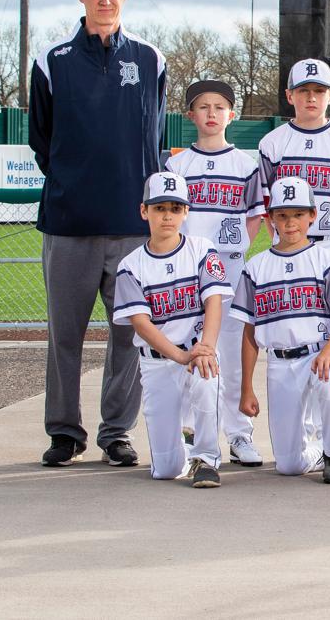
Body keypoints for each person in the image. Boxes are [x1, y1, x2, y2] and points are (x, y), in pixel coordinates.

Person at [29, 0, 167, 467]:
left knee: (128, 334)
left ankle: (116, 432)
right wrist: (73, 182)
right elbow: (42, 141)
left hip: (132, 226)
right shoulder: (52, 60)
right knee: (64, 336)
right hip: (69, 225)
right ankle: (64, 432)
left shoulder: (152, 59)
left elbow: (152, 139)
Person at [233, 177, 330, 484]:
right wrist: (246, 387)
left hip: (319, 353)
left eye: (298, 214)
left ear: (312, 216)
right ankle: (326, 448)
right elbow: (250, 332)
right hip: (279, 362)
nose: (291, 222)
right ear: (271, 219)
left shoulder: (328, 260)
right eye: (283, 215)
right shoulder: (256, 267)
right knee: (288, 466)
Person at [166, 80, 265, 467]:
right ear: (191, 115)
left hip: (228, 274)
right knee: (193, 353)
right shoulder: (178, 164)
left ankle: (239, 434)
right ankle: (193, 435)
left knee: (231, 354)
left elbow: (255, 216)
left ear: (231, 115)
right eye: (203, 107)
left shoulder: (245, 165)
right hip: (187, 276)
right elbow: (169, 216)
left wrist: (236, 249)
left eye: (219, 107)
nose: (211, 113)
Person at [111, 173, 233, 487]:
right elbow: (141, 323)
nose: (168, 215)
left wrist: (205, 347)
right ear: (144, 211)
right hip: (159, 361)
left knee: (207, 375)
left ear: (185, 212)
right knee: (166, 469)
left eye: (176, 208)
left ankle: (207, 459)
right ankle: (186, 441)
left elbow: (214, 302)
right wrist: (180, 356)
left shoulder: (201, 249)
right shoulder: (131, 265)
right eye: (160, 207)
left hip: (197, 350)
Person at [258, 59, 330, 261]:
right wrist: (280, 239)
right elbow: (266, 202)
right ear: (290, 95)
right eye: (303, 90)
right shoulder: (271, 143)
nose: (311, 97)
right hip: (286, 243)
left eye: (319, 90)